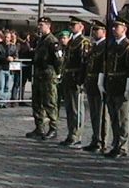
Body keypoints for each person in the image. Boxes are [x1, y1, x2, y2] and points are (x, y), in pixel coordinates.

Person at [102, 17, 129, 158]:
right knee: (114, 117)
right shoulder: (111, 45)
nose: (114, 29)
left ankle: (122, 146)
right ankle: (115, 143)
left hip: (122, 85)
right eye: (113, 27)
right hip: (111, 85)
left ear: (125, 29)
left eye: (117, 27)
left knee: (122, 118)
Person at [25, 17, 63, 140]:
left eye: (41, 25)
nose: (39, 27)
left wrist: (58, 73)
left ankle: (53, 128)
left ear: (48, 26)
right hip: (39, 74)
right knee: (37, 102)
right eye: (39, 25)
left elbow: (59, 59)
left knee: (50, 102)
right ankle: (39, 127)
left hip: (48, 75)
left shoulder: (52, 41)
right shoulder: (40, 40)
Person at [59, 18, 91, 148]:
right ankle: (71, 133)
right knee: (69, 108)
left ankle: (77, 135)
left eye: (74, 24)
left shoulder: (83, 42)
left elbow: (84, 62)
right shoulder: (72, 41)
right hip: (68, 77)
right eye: (70, 24)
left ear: (81, 26)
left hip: (76, 78)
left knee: (77, 109)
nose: (71, 26)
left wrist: (81, 80)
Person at [82, 20, 107, 153]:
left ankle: (101, 140)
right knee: (93, 113)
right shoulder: (94, 46)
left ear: (103, 31)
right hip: (91, 83)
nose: (94, 33)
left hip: (99, 83)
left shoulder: (105, 46)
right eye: (93, 30)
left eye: (97, 30)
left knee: (101, 114)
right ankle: (95, 138)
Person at [0, 30, 18, 107]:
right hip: (1, 68)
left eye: (8, 37)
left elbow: (16, 55)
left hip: (10, 69)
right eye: (5, 37)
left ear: (10, 38)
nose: (6, 39)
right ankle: (1, 102)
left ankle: (6, 101)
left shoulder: (13, 46)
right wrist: (6, 58)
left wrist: (13, 58)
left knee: (8, 87)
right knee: (1, 86)